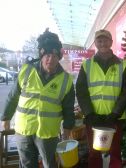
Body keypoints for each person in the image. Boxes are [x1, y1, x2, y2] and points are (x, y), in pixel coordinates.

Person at [0, 29, 75, 168]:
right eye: (47, 55)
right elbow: (13, 96)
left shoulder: (66, 80)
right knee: (27, 164)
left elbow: (69, 108)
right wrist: (6, 117)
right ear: (41, 55)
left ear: (59, 56)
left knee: (49, 164)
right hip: (24, 129)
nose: (50, 59)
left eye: (54, 55)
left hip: (48, 133)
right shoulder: (27, 71)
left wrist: (68, 127)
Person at [76, 29, 126, 168]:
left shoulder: (123, 65)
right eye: (99, 40)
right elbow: (81, 91)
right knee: (94, 153)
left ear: (111, 42)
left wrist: (115, 113)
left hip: (115, 118)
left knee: (115, 152)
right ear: (95, 43)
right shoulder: (86, 65)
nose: (103, 43)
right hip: (93, 117)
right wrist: (88, 113)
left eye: (105, 40)